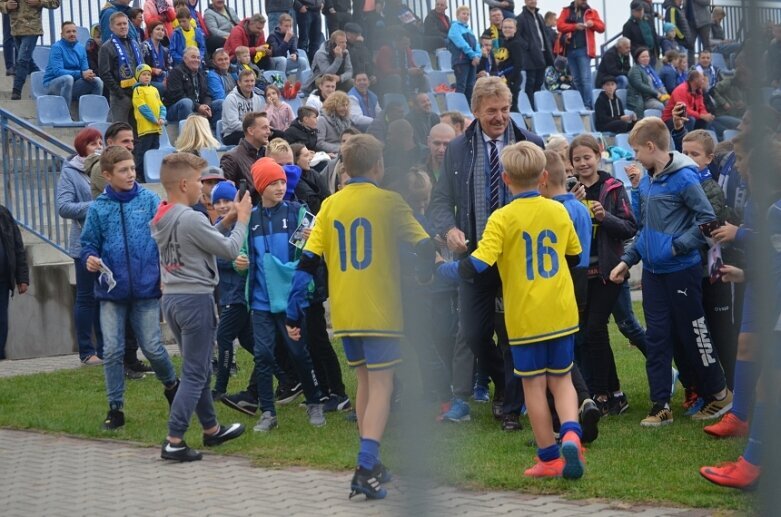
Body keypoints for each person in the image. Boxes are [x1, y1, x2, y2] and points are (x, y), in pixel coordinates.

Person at [286, 134, 435, 498]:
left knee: (365, 384)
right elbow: (425, 245)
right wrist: (424, 275)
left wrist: (293, 309)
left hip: (345, 311)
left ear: (344, 168)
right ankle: (365, 467)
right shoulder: (390, 202)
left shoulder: (331, 205)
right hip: (381, 309)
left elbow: (306, 262)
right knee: (383, 386)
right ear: (379, 166)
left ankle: (372, 460)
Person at [439, 141, 585, 479]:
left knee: (533, 386)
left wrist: (441, 271)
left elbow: (477, 264)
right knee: (562, 380)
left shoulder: (501, 218)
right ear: (544, 176)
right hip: (561, 312)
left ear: (505, 179)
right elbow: (574, 257)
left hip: (525, 318)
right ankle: (573, 435)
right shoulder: (558, 210)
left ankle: (548, 458)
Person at [430, 77, 543, 423]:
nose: (500, 117)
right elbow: (439, 201)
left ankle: (510, 404)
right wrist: (449, 229)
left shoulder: (529, 142)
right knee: (475, 333)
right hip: (474, 256)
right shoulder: (459, 148)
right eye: (492, 110)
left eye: (505, 109)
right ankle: (505, 386)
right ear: (476, 110)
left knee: (512, 334)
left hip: (516, 258)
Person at [609, 117, 732, 427]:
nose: (634, 156)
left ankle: (720, 394)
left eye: (637, 150)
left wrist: (678, 247)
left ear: (651, 146)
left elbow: (708, 222)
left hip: (681, 272)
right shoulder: (648, 179)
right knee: (658, 338)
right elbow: (646, 228)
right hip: (652, 274)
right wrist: (627, 260)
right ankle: (660, 405)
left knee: (695, 334)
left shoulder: (684, 178)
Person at [147, 152, 248, 461]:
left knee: (199, 368)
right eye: (197, 182)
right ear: (183, 183)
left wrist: (226, 220)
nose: (202, 188)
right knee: (194, 373)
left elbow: (199, 241)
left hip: (174, 300)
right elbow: (230, 249)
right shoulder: (191, 217)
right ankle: (174, 439)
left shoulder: (163, 216)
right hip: (195, 300)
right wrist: (241, 220)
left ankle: (212, 429)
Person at [80, 145, 180, 431]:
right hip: (111, 292)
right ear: (108, 175)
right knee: (111, 350)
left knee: (153, 347)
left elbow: (165, 240)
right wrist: (89, 258)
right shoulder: (98, 208)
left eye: (133, 169)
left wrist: (165, 273)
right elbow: (88, 243)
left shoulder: (150, 200)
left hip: (147, 288)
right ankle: (116, 408)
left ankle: (173, 386)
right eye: (123, 170)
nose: (131, 174)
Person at [237, 157, 325, 433]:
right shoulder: (250, 219)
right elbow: (239, 253)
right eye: (273, 182)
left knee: (299, 354)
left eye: (282, 182)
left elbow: (309, 253)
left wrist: (305, 248)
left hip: (290, 301)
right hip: (261, 302)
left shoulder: (298, 213)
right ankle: (267, 412)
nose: (279, 186)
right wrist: (239, 262)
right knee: (262, 355)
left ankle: (314, 402)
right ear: (260, 186)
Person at [570, 134, 637, 415]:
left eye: (587, 157)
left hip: (609, 272)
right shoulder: (568, 190)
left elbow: (630, 227)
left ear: (599, 156)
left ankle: (599, 393)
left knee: (596, 329)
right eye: (577, 159)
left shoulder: (613, 187)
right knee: (587, 334)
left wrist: (603, 217)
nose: (583, 163)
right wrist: (569, 206)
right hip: (581, 274)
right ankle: (615, 393)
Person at [56, 128, 104, 365]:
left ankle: (106, 349)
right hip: (84, 243)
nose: (98, 146)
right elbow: (64, 207)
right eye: (92, 143)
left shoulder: (105, 168)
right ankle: (87, 351)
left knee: (105, 297)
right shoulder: (70, 172)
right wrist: (94, 206)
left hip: (106, 242)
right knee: (87, 297)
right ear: (81, 146)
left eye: (100, 142)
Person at [208, 181, 254, 400]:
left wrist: (227, 257)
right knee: (249, 342)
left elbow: (229, 256)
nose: (223, 205)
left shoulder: (242, 226)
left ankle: (220, 389)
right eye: (217, 202)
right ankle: (286, 372)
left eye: (227, 200)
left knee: (224, 337)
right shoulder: (218, 226)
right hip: (227, 294)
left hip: (239, 295)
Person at [0, 0, 58, 100]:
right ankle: (45, 82)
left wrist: (40, 2)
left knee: (22, 60)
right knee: (27, 60)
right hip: (15, 30)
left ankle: (16, 91)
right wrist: (6, 5)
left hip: (32, 29)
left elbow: (55, 3)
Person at [555, 0, 605, 109]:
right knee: (577, 79)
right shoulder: (566, 11)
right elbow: (559, 25)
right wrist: (575, 27)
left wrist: (593, 24)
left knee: (585, 79)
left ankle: (587, 105)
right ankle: (581, 104)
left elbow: (602, 27)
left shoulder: (591, 12)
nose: (584, 1)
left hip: (584, 50)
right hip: (570, 50)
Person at [43, 21, 104, 106]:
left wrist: (88, 74)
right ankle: (64, 113)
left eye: (74, 31)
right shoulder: (57, 47)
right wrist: (81, 74)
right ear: (62, 35)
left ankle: (94, 112)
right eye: (68, 32)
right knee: (68, 78)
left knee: (97, 81)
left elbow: (85, 70)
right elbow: (58, 72)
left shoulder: (81, 48)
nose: (72, 34)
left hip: (72, 85)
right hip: (53, 85)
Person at [99, 12, 143, 124]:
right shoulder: (106, 47)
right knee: (119, 130)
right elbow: (105, 73)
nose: (123, 26)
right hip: (120, 96)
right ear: (111, 28)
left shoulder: (135, 44)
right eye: (119, 24)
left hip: (137, 93)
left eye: (125, 23)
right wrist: (120, 93)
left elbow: (142, 67)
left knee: (137, 133)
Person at [220, 112, 271, 200]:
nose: (269, 132)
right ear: (250, 131)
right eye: (264, 128)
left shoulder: (267, 155)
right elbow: (224, 194)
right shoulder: (231, 158)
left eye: (269, 128)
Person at [0, 201, 28, 360]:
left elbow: (17, 245)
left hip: (3, 279)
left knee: (1, 320)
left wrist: (22, 277)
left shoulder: (3, 214)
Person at [132, 64, 167, 182]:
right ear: (138, 77)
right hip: (145, 128)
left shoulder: (154, 89)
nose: (147, 77)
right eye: (143, 74)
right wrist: (154, 119)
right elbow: (142, 107)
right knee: (143, 151)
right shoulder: (137, 90)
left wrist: (162, 117)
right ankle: (139, 173)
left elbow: (161, 106)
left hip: (156, 128)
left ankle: (152, 172)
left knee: (154, 151)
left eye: (148, 74)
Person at [517, 0, 554, 108]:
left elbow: (544, 34)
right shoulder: (520, 18)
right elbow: (517, 36)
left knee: (539, 82)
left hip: (542, 54)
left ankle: (536, 106)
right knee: (530, 83)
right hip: (530, 56)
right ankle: (531, 107)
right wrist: (528, 46)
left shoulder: (540, 16)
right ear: (525, 1)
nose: (532, 1)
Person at [164, 47, 213, 124]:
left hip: (197, 106)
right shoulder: (176, 72)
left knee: (219, 103)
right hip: (174, 109)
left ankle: (212, 133)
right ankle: (189, 133)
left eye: (198, 58)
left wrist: (206, 106)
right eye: (193, 57)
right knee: (186, 102)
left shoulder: (201, 73)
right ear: (185, 59)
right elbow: (177, 96)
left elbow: (207, 94)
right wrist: (198, 107)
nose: (196, 60)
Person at [374, 26, 427, 96]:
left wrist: (418, 70)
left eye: (408, 44)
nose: (407, 46)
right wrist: (406, 71)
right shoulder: (386, 50)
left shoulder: (407, 50)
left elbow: (412, 65)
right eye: (404, 44)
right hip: (386, 80)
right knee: (396, 78)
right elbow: (385, 71)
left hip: (405, 77)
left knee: (423, 78)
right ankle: (399, 101)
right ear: (396, 42)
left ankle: (419, 99)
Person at [221, 69, 266, 145]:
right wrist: (253, 129)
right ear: (239, 83)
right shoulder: (231, 99)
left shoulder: (257, 99)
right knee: (255, 137)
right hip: (232, 134)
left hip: (252, 131)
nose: (250, 84)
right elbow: (233, 124)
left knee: (276, 135)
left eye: (252, 81)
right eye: (246, 81)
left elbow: (260, 119)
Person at [448, 6, 480, 103]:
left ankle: (468, 109)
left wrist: (477, 55)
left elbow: (477, 45)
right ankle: (459, 108)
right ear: (458, 15)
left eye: (468, 14)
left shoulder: (469, 30)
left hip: (471, 61)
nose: (466, 16)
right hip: (461, 61)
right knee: (461, 85)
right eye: (463, 13)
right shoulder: (455, 27)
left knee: (470, 86)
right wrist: (473, 55)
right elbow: (461, 43)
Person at [626, 46, 668, 117]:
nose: (646, 58)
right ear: (637, 58)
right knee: (660, 106)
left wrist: (664, 94)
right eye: (643, 57)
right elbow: (639, 85)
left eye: (647, 56)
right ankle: (662, 125)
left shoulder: (649, 69)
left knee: (670, 103)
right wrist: (656, 93)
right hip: (643, 99)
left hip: (653, 96)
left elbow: (658, 83)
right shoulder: (635, 70)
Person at [496, 17, 522, 110]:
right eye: (505, 27)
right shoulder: (504, 42)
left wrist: (510, 80)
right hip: (504, 78)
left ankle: (520, 125)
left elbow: (519, 64)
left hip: (512, 79)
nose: (507, 29)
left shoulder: (516, 43)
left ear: (515, 29)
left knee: (512, 107)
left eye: (510, 27)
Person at [142, 21, 172, 93]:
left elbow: (169, 67)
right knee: (162, 87)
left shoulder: (165, 50)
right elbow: (140, 66)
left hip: (162, 79)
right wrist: (152, 70)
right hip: (148, 81)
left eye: (162, 30)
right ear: (151, 32)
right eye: (158, 29)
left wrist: (166, 79)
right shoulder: (144, 46)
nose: (161, 32)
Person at [206, 48, 236, 115]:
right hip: (218, 107)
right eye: (220, 60)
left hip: (234, 102)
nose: (224, 62)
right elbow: (220, 97)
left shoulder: (232, 73)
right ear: (214, 62)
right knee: (222, 102)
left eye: (226, 59)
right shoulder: (212, 76)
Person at [663, 0, 693, 66]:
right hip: (680, 42)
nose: (681, 1)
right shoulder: (672, 9)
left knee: (683, 64)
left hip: (682, 42)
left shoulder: (677, 9)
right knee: (681, 64)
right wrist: (682, 36)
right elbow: (673, 25)